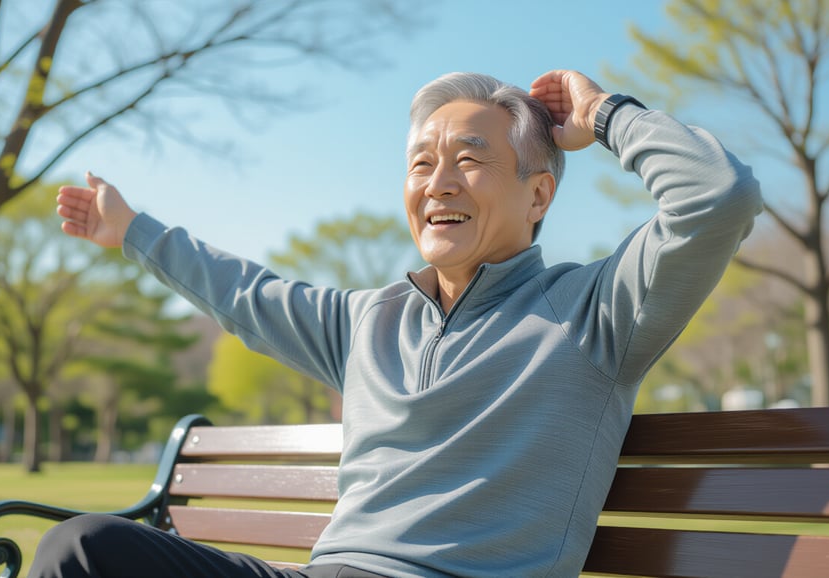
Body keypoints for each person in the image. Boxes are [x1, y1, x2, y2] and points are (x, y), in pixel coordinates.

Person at [39, 69, 762, 578]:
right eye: (422, 164)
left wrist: (604, 113)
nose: (439, 182)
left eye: (471, 161)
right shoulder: (369, 320)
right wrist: (132, 229)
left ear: (538, 195)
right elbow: (246, 295)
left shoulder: (596, 311)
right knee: (85, 548)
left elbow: (719, 196)